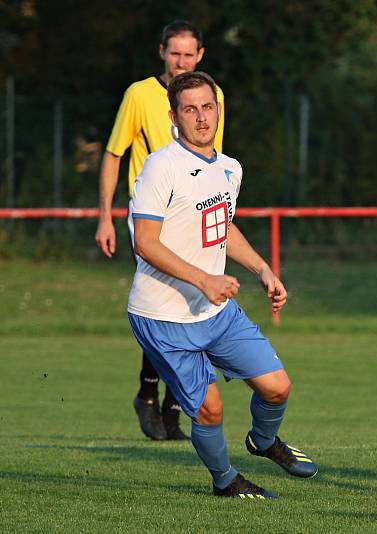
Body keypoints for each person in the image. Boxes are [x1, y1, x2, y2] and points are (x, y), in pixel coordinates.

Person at [127, 71, 317, 499]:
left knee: (277, 387)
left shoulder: (230, 168)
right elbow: (146, 242)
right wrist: (204, 278)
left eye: (207, 107)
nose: (201, 117)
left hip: (217, 312)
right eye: (189, 109)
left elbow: (221, 226)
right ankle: (226, 480)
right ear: (173, 116)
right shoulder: (161, 166)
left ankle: (264, 442)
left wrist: (263, 270)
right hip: (163, 317)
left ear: (218, 109)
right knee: (210, 410)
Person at [95, 20, 225, 440]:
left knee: (194, 305)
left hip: (194, 212)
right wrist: (106, 216)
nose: (181, 61)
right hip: (150, 216)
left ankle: (170, 403)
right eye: (175, 54)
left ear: (200, 55)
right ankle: (150, 394)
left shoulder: (211, 95)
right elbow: (115, 154)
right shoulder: (140, 94)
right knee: (166, 302)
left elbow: (213, 158)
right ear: (162, 53)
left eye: (189, 55)